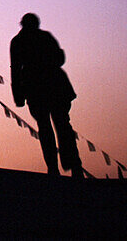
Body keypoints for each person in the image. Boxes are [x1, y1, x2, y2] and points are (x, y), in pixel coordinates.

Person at [9, 13, 82, 177]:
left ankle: (56, 167)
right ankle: (71, 164)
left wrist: (18, 95)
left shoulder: (18, 42)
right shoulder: (44, 37)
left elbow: (15, 69)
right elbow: (59, 58)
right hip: (50, 87)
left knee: (49, 128)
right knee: (61, 126)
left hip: (38, 88)